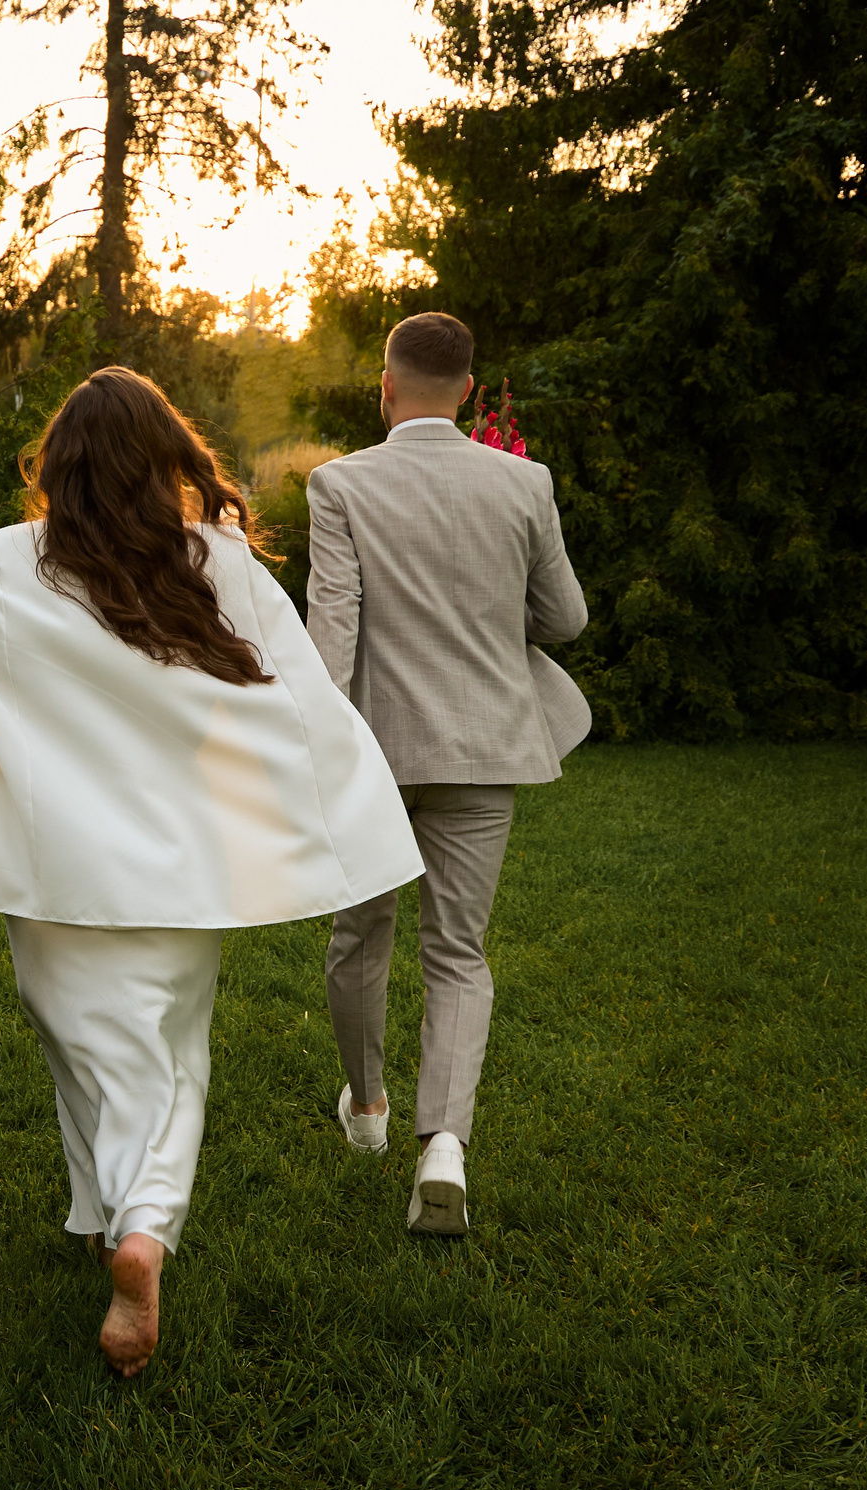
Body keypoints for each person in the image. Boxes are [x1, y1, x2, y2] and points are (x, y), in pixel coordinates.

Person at [0, 367, 422, 1377]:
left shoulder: (8, 566)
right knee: (164, 1059)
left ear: (61, 465)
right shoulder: (215, 562)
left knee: (85, 1048)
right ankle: (140, 1232)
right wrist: (343, 811)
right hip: (181, 858)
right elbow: (298, 701)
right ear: (164, 457)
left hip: (49, 864)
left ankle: (107, 1221)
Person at [303, 311, 590, 1235]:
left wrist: (315, 749)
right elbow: (567, 618)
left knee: (361, 935)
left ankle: (369, 1108)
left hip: (375, 755)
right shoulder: (525, 481)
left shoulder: (338, 485)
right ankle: (446, 1145)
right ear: (469, 390)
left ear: (384, 386)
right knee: (458, 951)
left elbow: (331, 638)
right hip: (484, 750)